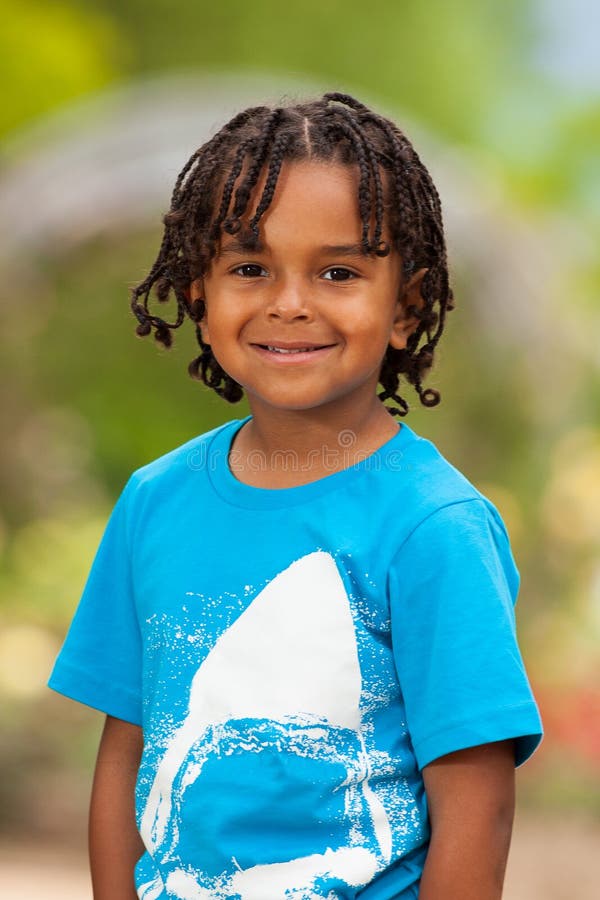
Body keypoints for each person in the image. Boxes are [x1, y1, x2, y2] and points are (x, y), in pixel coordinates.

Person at [48, 92, 543, 900]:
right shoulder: (154, 503)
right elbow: (125, 758)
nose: (289, 302)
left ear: (406, 308)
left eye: (338, 272)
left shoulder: (434, 527)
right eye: (250, 268)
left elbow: (477, 809)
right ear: (199, 297)